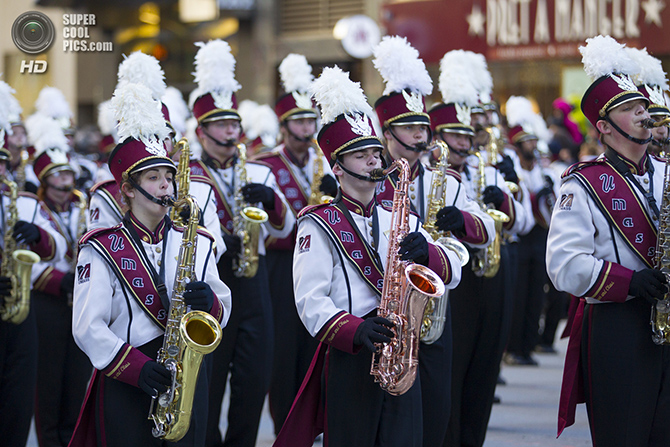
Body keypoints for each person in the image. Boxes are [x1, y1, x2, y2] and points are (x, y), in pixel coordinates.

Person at [274, 65, 462, 447]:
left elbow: (454, 268)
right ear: (338, 167)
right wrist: (354, 330)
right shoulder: (318, 223)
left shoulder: (404, 215)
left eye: (376, 154)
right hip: (351, 353)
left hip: (403, 350)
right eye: (361, 156)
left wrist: (431, 253)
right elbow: (310, 301)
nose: (375, 162)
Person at [69, 81, 232, 447]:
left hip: (187, 375)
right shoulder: (101, 247)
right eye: (153, 178)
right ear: (127, 189)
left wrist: (212, 303)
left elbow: (224, 304)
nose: (165, 186)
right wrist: (134, 368)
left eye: (169, 176)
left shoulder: (197, 239)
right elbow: (86, 327)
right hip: (128, 378)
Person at [370, 39, 494, 447]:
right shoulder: (367, 183)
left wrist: (444, 244)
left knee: (436, 412)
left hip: (433, 312)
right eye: (410, 128)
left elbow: (485, 233)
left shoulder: (450, 180)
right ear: (387, 132)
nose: (421, 136)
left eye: (423, 127)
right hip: (382, 309)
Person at [547, 35, 670, 445]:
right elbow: (564, 265)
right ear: (604, 126)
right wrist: (629, 282)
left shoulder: (666, 174)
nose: (644, 115)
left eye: (644, 107)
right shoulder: (582, 185)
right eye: (631, 109)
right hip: (619, 327)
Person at [188, 39, 295, 447]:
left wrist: (271, 202)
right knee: (210, 383)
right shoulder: (190, 176)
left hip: (255, 285)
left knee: (254, 379)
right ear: (202, 131)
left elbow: (284, 230)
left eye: (234, 123)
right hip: (214, 281)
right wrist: (218, 242)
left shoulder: (259, 171)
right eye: (221, 124)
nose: (231, 130)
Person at [429, 50, 531, 447]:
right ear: (437, 138)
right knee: (454, 371)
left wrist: (504, 197)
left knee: (485, 368)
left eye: (467, 135)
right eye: (455, 135)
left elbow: (524, 221)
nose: (464, 142)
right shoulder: (433, 175)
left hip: (494, 273)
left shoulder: (493, 164)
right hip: (456, 282)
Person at [252, 53, 336, 436]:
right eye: (299, 121)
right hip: (281, 267)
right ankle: (287, 422)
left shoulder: (329, 163)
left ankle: (315, 418)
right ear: (284, 126)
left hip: (323, 262)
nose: (307, 127)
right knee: (285, 349)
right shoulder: (265, 164)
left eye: (310, 120)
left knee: (318, 342)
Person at [0, 80, 67, 447]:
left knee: (17, 406)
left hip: (19, 316)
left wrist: (36, 235)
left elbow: (55, 246)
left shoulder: (22, 200)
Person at [27, 115, 93, 447]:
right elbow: (27, 259)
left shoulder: (83, 205)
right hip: (48, 303)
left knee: (76, 379)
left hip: (79, 301)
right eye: (58, 176)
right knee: (48, 382)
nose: (67, 182)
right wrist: (57, 281)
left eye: (68, 174)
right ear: (44, 181)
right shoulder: (33, 209)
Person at [503, 96, 559, 366]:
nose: (533, 145)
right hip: (520, 238)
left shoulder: (540, 170)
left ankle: (528, 346)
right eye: (528, 141)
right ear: (517, 144)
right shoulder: (511, 168)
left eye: (534, 140)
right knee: (518, 294)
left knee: (536, 293)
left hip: (540, 237)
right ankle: (513, 349)